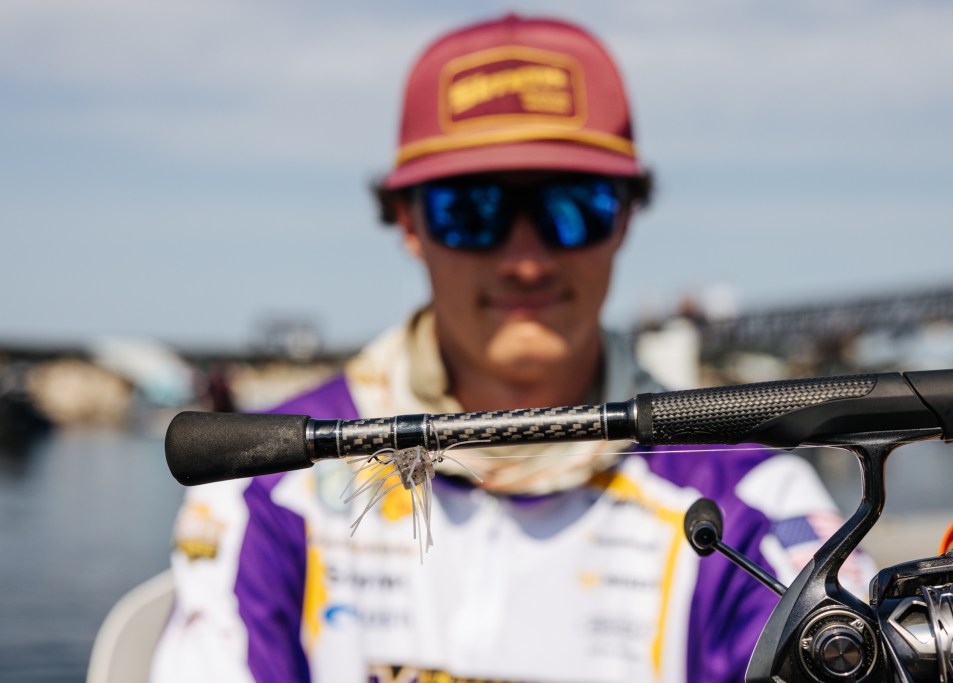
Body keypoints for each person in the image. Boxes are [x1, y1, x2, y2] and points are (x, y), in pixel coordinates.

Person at [153, 14, 912, 683]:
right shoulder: (262, 484)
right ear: (409, 223)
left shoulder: (758, 500)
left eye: (572, 207)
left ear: (625, 219)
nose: (525, 260)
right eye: (471, 210)